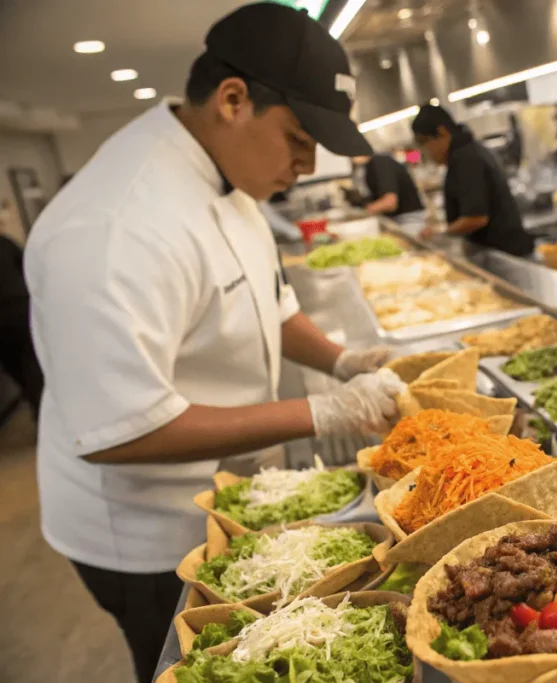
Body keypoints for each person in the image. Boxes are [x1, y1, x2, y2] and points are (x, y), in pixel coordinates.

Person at [24, 5, 401, 681]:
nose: (305, 163)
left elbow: (267, 302)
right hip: (145, 530)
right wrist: (322, 411)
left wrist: (342, 360)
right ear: (233, 100)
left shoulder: (230, 175)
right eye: (297, 138)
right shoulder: (116, 226)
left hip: (228, 495)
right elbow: (117, 429)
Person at [411, 105, 535, 257]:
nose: (426, 152)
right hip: (501, 252)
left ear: (442, 133)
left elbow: (476, 218)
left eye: (424, 143)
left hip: (505, 255)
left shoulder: (465, 159)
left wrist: (439, 232)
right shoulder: (469, 150)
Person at [0, 234, 42, 419]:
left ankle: (32, 396)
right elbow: (28, 268)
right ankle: (39, 407)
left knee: (12, 363)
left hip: (3, 320)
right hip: (21, 309)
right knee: (32, 362)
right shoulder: (5, 243)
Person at [352, 153, 424, 216]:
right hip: (394, 217)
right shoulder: (363, 169)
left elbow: (390, 203)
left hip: (407, 217)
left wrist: (361, 213)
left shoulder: (380, 162)